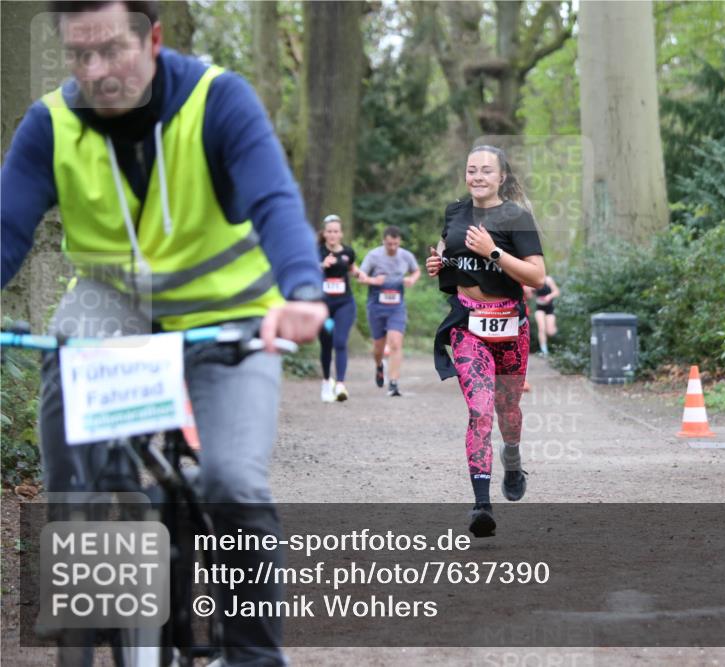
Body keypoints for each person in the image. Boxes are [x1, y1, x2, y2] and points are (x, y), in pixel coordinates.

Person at [0, 2, 326, 663]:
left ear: (153, 37)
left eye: (113, 50)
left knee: (231, 479)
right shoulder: (52, 124)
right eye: (79, 55)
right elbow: (6, 228)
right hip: (114, 308)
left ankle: (256, 654)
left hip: (229, 315)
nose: (97, 72)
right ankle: (80, 552)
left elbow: (274, 201)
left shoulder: (218, 100)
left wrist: (303, 292)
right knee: (65, 374)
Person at [428, 145, 545, 538]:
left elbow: (537, 277)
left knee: (507, 410)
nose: (477, 176)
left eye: (485, 171)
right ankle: (481, 505)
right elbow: (449, 246)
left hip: (510, 325)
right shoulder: (455, 211)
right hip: (467, 325)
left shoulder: (516, 216)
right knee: (479, 410)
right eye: (471, 170)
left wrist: (493, 252)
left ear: (502, 178)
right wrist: (440, 261)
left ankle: (512, 458)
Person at [357, 226, 420, 397]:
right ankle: (379, 366)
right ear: (384, 241)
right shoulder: (374, 256)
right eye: (389, 244)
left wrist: (412, 279)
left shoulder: (405, 255)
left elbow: (416, 271)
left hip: (397, 306)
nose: (392, 247)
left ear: (399, 242)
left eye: (395, 244)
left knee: (395, 344)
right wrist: (372, 280)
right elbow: (360, 277)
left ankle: (393, 383)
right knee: (378, 347)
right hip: (376, 305)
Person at [317, 214, 358, 402]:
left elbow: (352, 268)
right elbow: (307, 271)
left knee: (340, 342)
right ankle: (326, 382)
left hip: (344, 303)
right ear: (324, 234)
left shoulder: (348, 252)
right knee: (326, 344)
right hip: (322, 306)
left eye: (336, 231)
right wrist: (321, 265)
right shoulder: (317, 252)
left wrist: (360, 274)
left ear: (341, 234)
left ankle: (340, 384)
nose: (332, 235)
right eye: (329, 232)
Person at [529, 275, 560, 356]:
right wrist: (531, 290)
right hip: (539, 308)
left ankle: (557, 331)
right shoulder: (535, 281)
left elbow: (557, 292)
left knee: (550, 332)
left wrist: (549, 296)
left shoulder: (548, 279)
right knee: (541, 328)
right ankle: (544, 351)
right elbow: (530, 294)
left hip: (549, 309)